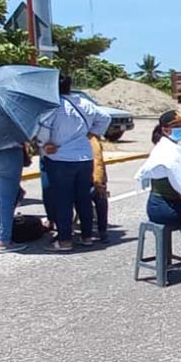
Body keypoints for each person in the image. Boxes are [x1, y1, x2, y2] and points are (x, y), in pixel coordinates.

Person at [38, 74, 111, 250]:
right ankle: (87, 236)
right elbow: (105, 118)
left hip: (60, 158)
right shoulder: (84, 104)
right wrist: (91, 132)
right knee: (83, 198)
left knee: (64, 199)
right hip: (85, 158)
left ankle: (65, 240)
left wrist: (44, 143)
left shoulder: (53, 108)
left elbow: (43, 131)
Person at [143, 111, 181, 235]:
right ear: (165, 130)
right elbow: (180, 189)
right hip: (163, 207)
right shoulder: (166, 152)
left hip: (169, 204)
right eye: (176, 127)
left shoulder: (172, 148)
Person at [90, 133, 110, 243]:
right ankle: (102, 230)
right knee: (101, 201)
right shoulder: (93, 139)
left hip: (89, 180)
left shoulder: (91, 140)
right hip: (97, 178)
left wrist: (98, 182)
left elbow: (97, 161)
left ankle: (87, 233)